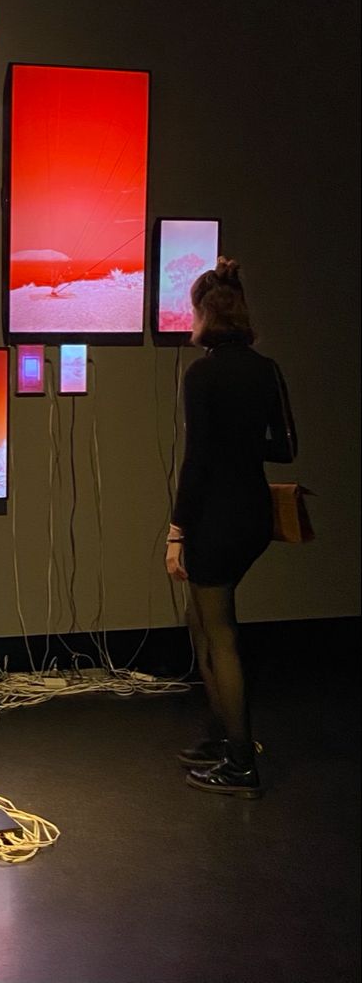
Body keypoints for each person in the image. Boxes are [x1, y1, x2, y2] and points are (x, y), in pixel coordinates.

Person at [165, 256, 297, 798]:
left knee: (219, 634)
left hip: (214, 518)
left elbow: (196, 462)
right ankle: (224, 735)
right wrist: (244, 447)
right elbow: (285, 448)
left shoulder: (204, 373)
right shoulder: (266, 369)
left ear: (203, 313)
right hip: (252, 515)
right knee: (204, 622)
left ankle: (240, 760)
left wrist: (176, 531)